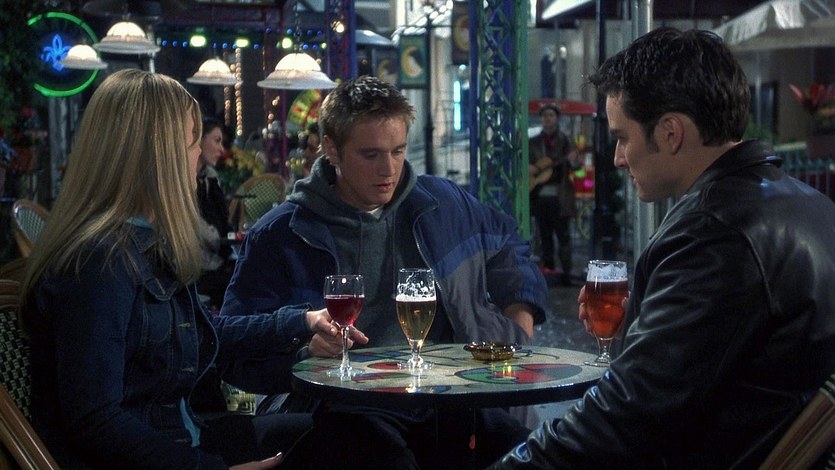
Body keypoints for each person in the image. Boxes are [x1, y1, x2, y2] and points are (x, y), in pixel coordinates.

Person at [490, 27, 835, 469]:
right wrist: (652, 320)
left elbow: (624, 416)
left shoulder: (713, 233)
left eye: (623, 137)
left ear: (671, 133)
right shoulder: (810, 204)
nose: (618, 158)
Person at [220, 75, 549, 469]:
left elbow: (509, 243)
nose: (388, 169)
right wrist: (304, 352)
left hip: (444, 396)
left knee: (535, 454)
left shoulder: (442, 204)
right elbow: (233, 349)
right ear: (332, 149)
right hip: (343, 405)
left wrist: (520, 317)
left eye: (398, 151)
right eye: (371, 154)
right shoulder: (281, 234)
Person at [19, 69, 337, 470]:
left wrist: (301, 321)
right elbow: (96, 421)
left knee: (347, 431)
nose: (200, 157)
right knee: (346, 443)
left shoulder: (139, 242)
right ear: (157, 157)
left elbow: (203, 333)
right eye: (192, 143)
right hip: (173, 454)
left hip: (188, 437)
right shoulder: (100, 262)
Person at [528, 102, 581, 286]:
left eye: (551, 115)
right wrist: (529, 168)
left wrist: (574, 161)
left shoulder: (565, 141)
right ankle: (547, 272)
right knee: (544, 237)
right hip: (539, 196)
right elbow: (524, 164)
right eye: (544, 116)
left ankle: (566, 274)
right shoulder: (533, 142)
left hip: (560, 196)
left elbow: (577, 167)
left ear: (557, 118)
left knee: (563, 236)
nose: (547, 119)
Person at [196, 117, 235, 311]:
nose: (221, 149)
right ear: (199, 141)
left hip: (217, 261)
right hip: (198, 268)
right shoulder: (183, 180)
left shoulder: (210, 177)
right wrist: (220, 239)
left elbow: (223, 221)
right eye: (216, 141)